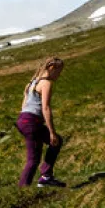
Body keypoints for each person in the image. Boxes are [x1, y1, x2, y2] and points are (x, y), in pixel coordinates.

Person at [17, 57, 67, 188]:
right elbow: (46, 107)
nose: (58, 75)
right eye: (59, 72)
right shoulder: (46, 83)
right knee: (33, 159)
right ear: (51, 68)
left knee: (56, 142)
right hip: (32, 122)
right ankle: (22, 190)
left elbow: (24, 105)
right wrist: (52, 132)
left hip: (24, 119)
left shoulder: (31, 83)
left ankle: (46, 176)